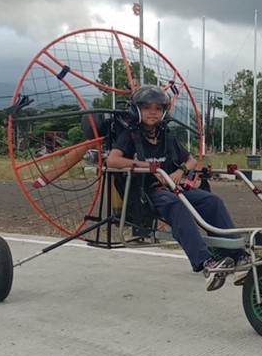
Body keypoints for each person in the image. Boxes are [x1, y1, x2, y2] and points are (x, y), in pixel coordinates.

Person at [106, 85, 248, 291]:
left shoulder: (167, 137)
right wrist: (149, 167)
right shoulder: (130, 136)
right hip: (149, 193)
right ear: (137, 110)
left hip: (174, 187)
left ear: (164, 111)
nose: (152, 112)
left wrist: (180, 171)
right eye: (147, 107)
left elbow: (190, 161)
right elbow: (112, 160)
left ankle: (237, 255)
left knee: (211, 201)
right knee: (177, 204)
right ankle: (205, 262)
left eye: (157, 108)